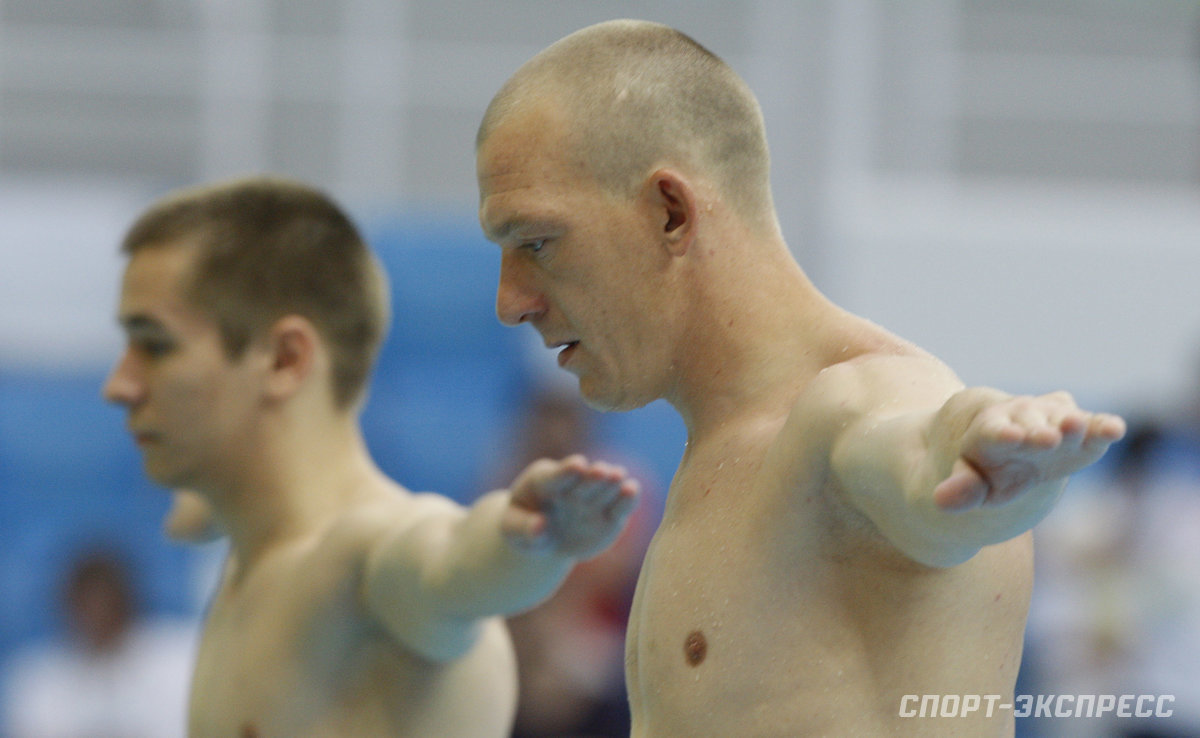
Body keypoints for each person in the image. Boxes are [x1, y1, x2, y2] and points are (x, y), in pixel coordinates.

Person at [474, 19, 1126, 737]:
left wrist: (984, 465)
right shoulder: (725, 448)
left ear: (670, 212)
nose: (511, 302)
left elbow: (923, 470)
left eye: (537, 242)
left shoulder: (851, 405)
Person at [101, 175, 640, 738]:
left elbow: (448, 564)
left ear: (285, 360)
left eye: (156, 346)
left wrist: (523, 539)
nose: (120, 385)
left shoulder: (359, 555)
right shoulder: (252, 557)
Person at [1, 548, 196, 737]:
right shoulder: (35, 680)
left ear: (128, 600)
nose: (98, 613)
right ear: (70, 607)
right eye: (88, 604)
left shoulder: (182, 657)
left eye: (107, 602)